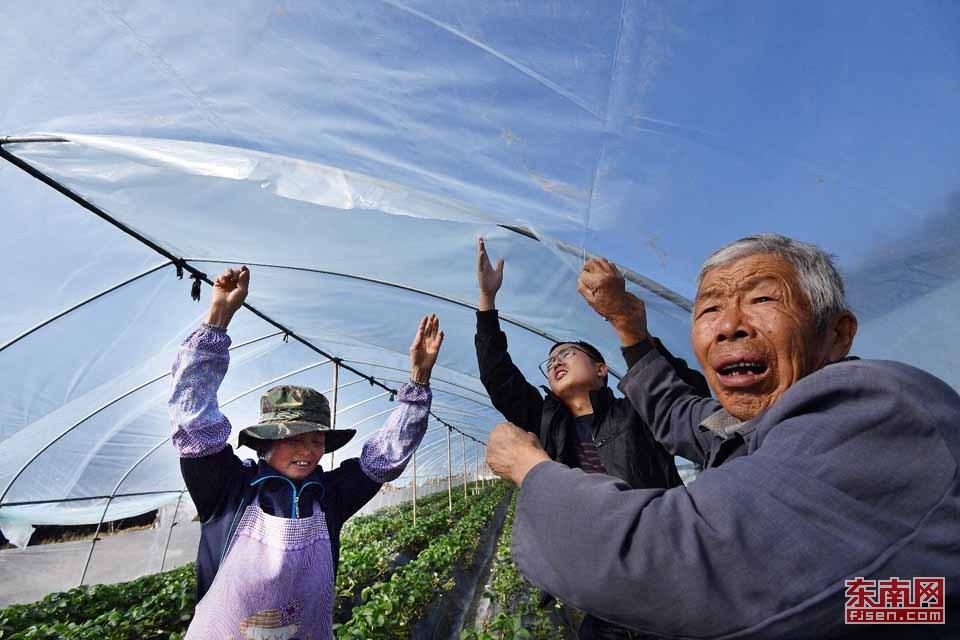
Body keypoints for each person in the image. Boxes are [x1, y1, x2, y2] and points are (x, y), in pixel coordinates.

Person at [486, 234, 960, 639]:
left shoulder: (869, 406)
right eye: (710, 307)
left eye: (761, 299)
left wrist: (530, 469)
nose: (729, 326)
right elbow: (681, 412)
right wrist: (628, 324)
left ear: (836, 334)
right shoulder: (759, 421)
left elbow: (670, 554)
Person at [169, 266, 443, 640]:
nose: (308, 451)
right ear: (265, 441)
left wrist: (418, 383)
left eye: (316, 440)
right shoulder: (228, 489)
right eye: (293, 438)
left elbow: (387, 457)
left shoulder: (328, 496)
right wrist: (217, 320)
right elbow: (193, 418)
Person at [475, 238, 710, 639]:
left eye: (566, 353)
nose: (556, 361)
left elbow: (686, 393)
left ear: (602, 369)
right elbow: (499, 377)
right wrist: (487, 299)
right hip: (600, 587)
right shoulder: (546, 420)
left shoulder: (636, 410)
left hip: (663, 571)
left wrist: (631, 325)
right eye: (550, 362)